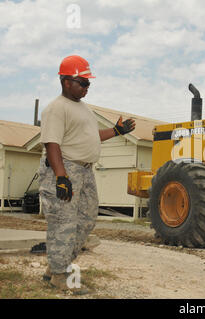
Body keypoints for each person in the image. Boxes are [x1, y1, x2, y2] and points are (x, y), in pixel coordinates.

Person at [39, 55, 136, 295]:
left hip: (85, 170)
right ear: (66, 82)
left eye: (88, 83)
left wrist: (116, 131)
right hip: (66, 169)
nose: (86, 88)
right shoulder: (56, 108)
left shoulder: (82, 108)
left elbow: (91, 136)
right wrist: (61, 177)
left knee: (87, 218)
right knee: (63, 221)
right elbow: (52, 144)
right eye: (83, 83)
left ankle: (55, 266)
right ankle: (60, 276)